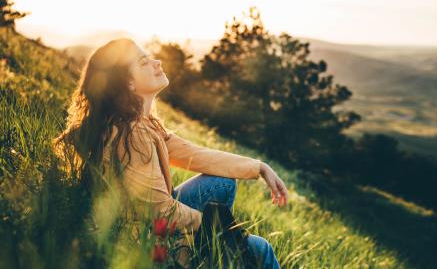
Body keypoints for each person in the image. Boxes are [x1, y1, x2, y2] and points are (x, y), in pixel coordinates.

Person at [53, 38, 288, 268]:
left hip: (148, 225)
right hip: (146, 246)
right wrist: (223, 231)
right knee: (260, 248)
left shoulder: (144, 124)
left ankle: (212, 255)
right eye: (144, 62)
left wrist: (259, 168)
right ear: (129, 84)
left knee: (223, 183)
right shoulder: (132, 133)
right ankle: (206, 255)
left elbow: (196, 155)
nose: (156, 62)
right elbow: (160, 212)